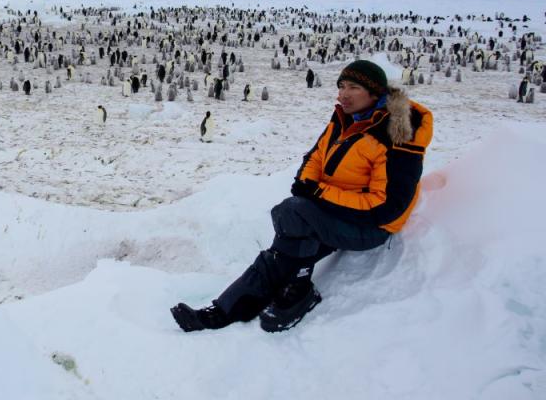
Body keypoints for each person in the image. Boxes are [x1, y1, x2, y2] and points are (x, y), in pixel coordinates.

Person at [171, 60, 433, 333]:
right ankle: (224, 311)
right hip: (336, 210)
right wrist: (305, 182)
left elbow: (387, 207)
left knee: (292, 214)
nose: (343, 94)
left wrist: (319, 192)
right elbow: (317, 156)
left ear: (375, 92)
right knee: (282, 249)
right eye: (341, 86)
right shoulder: (345, 118)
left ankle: (299, 289)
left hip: (371, 225)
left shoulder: (398, 134)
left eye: (353, 87)